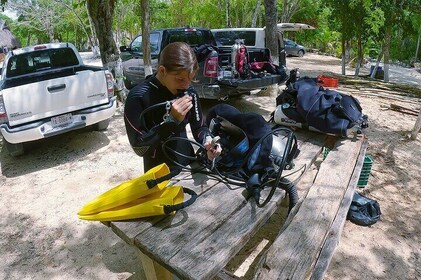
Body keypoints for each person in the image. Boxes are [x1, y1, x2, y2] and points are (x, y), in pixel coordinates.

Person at [124, 42, 221, 172]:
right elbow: (139, 148)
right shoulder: (138, 97)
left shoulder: (189, 92)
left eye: (190, 79)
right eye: (180, 79)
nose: (186, 86)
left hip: (188, 163)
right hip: (158, 171)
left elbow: (199, 127)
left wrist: (208, 141)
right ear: (162, 70)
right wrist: (171, 121)